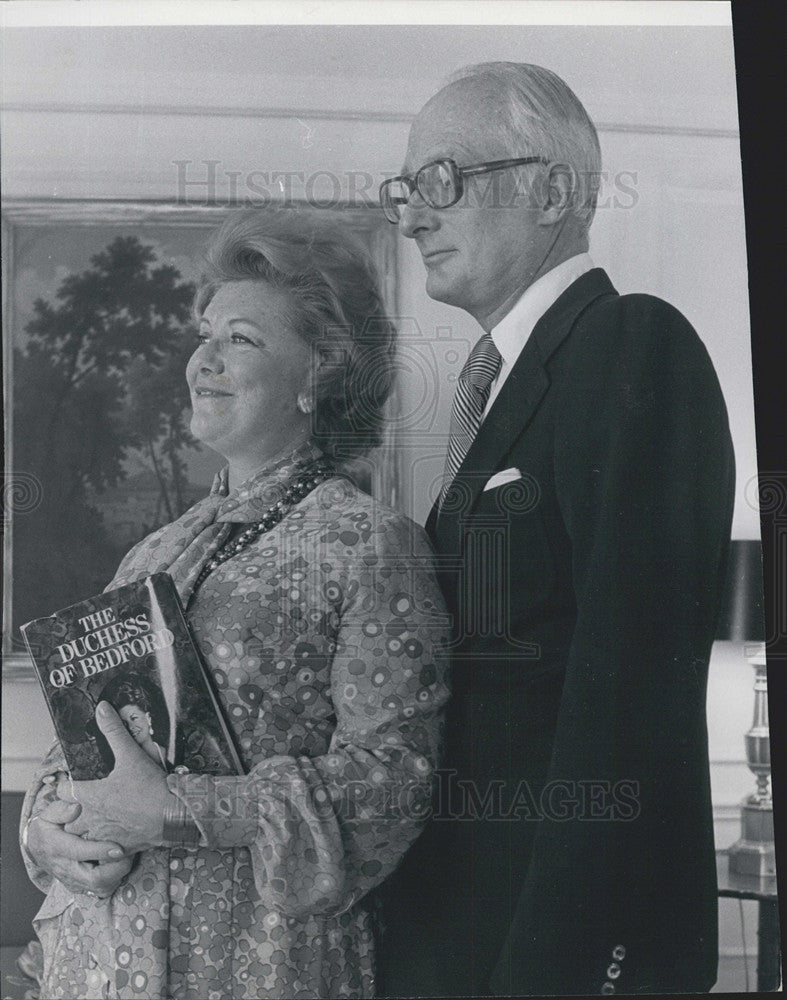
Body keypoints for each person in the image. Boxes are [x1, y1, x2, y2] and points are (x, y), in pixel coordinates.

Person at [19, 209, 449, 1000]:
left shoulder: (368, 543)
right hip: (97, 962)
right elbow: (78, 744)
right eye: (202, 335)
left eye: (240, 340)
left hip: (251, 962)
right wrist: (46, 831)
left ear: (318, 372)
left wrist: (179, 810)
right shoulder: (150, 552)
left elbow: (393, 784)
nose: (202, 361)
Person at [375, 62, 735, 996]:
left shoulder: (630, 344)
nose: (414, 217)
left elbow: (630, 700)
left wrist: (559, 965)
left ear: (552, 191)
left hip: (548, 947)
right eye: (406, 191)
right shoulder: (501, 382)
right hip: (455, 930)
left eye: (442, 182)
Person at [103, 676, 172, 770]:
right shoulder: (130, 767)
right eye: (124, 723)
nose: (130, 727)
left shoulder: (169, 753)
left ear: (148, 718)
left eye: (134, 718)